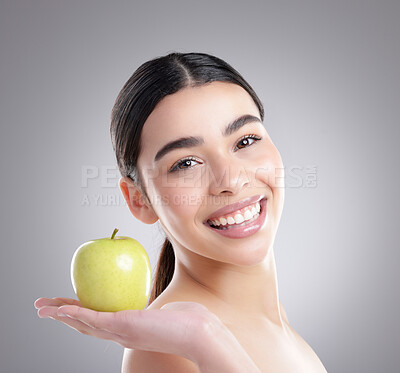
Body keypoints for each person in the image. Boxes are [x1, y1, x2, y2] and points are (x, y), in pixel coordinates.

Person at [35, 52, 328, 372]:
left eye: (245, 140)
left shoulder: (271, 319)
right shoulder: (164, 354)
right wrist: (203, 341)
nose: (230, 179)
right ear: (139, 200)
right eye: (186, 163)